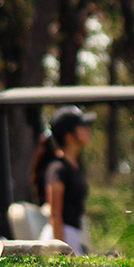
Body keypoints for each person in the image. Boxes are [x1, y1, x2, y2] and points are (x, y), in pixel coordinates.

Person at [31, 106, 94, 254]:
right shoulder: (57, 169)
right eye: (82, 126)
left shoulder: (73, 166)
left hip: (73, 236)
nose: (87, 129)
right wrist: (62, 252)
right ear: (69, 136)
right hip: (61, 238)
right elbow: (55, 214)